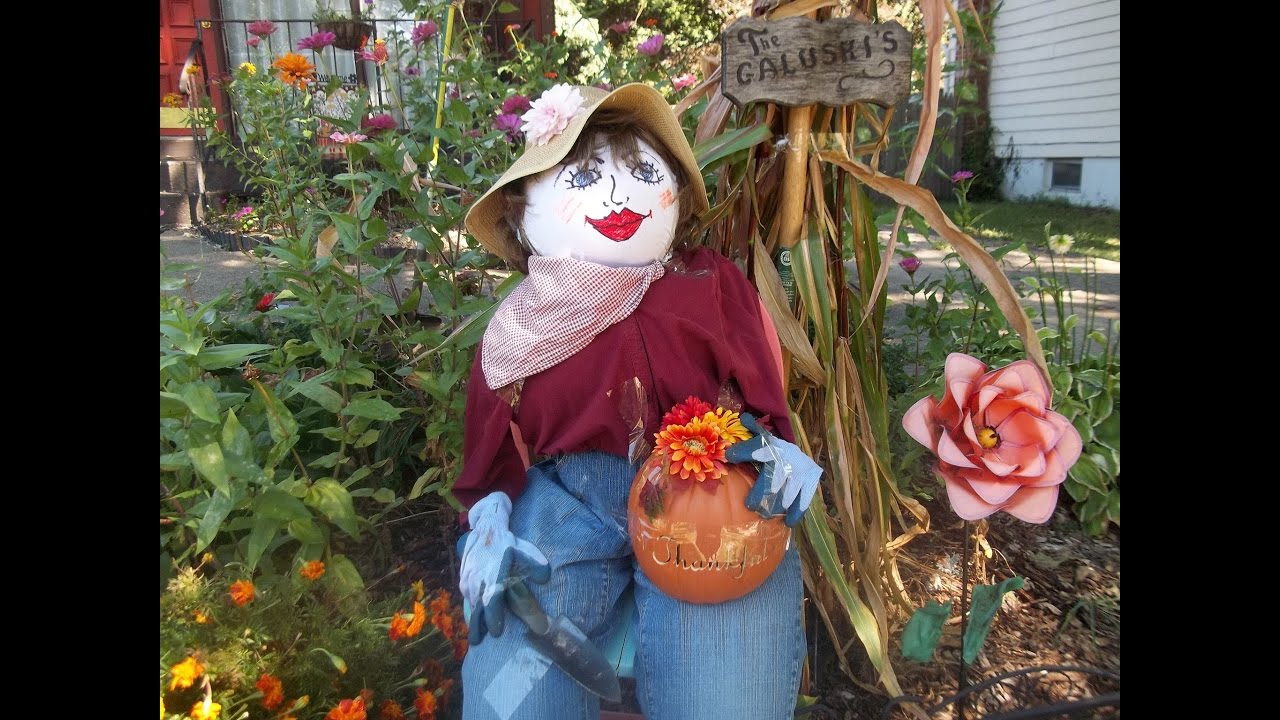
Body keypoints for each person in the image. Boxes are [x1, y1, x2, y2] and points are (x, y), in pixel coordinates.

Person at [456, 82, 822, 720]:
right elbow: (491, 445)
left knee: (725, 691)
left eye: (642, 171)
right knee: (515, 682)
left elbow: (761, 394)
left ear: (676, 192)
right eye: (586, 175)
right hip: (565, 500)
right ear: (520, 213)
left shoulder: (710, 283)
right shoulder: (520, 327)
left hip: (706, 486)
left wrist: (771, 448)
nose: (619, 195)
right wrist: (487, 524)